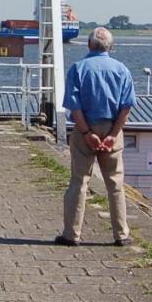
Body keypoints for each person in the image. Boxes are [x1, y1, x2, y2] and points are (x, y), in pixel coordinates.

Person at [57, 26, 136, 248]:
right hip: (112, 127)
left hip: (85, 129)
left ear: (89, 44)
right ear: (110, 47)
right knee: (115, 184)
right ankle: (121, 234)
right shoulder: (122, 70)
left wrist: (86, 132)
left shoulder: (78, 69)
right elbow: (126, 107)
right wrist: (112, 135)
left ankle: (72, 234)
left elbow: (74, 105)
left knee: (79, 182)